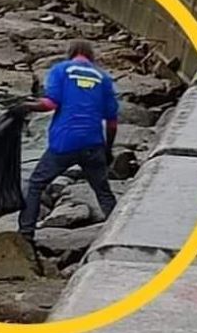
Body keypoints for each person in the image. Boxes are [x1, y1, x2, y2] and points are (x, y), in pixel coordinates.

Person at [8, 39, 119, 242]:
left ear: (71, 53)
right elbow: (111, 122)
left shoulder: (61, 70)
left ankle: (26, 233)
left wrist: (26, 106)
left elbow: (50, 104)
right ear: (90, 55)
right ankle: (118, 233)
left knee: (35, 185)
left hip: (64, 143)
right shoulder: (104, 78)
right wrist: (107, 149)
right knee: (103, 191)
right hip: (93, 144)